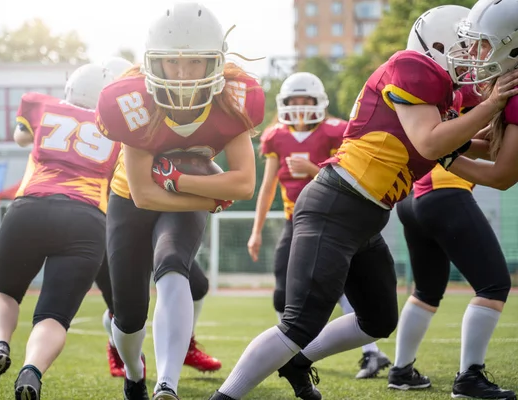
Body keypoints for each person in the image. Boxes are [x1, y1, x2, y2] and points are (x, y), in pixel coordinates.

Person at [208, 4, 518, 399]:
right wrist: (492, 106)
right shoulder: (412, 67)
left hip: (366, 213)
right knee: (299, 322)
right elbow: (430, 142)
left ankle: (298, 361)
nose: (471, 57)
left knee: (377, 318)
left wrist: (504, 129)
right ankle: (226, 396)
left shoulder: (443, 96)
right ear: (439, 45)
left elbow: (467, 146)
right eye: (464, 46)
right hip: (337, 203)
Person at [96, 3, 265, 400]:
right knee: (130, 314)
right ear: (153, 61)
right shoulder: (132, 101)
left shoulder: (234, 97)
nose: (184, 73)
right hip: (130, 201)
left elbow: (243, 184)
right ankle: (134, 373)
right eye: (173, 63)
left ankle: (165, 384)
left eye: (195, 62)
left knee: (174, 268)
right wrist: (204, 200)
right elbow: (143, 193)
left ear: (216, 62)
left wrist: (182, 181)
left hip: (186, 194)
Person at [387, 4, 516, 399]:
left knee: (427, 290)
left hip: (413, 197)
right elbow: (502, 175)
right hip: (442, 194)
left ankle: (401, 370)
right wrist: (450, 158)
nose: (473, 55)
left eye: (479, 45)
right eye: (469, 45)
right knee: (494, 284)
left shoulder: (457, 88)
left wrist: (452, 153)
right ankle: (469, 377)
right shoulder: (488, 89)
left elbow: (488, 151)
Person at [0, 64, 115, 400]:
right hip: (86, 218)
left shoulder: (42, 105)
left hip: (31, 208)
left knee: (3, 291)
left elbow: (21, 137)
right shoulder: (118, 132)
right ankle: (31, 371)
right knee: (54, 315)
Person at [248, 71, 389, 380]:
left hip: (332, 220)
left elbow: (347, 178)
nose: (299, 107)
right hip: (293, 221)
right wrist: (256, 230)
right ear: (283, 103)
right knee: (283, 291)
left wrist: (313, 169)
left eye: (305, 100)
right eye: (293, 101)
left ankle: (371, 354)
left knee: (342, 291)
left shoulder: (333, 132)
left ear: (318, 102)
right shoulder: (276, 136)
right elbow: (268, 186)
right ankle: (289, 351)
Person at [95, 57, 222, 379]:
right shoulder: (111, 125)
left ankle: (184, 345)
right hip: (120, 211)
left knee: (195, 282)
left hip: (164, 205)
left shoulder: (166, 105)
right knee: (126, 307)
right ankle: (121, 351)